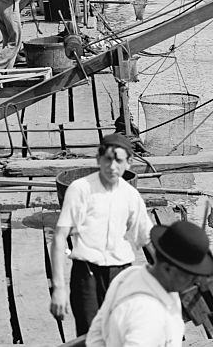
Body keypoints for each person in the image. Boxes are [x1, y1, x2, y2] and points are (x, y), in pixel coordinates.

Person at [50, 133, 153, 336]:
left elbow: (148, 239)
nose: (112, 166)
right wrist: (58, 288)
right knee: (90, 335)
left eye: (119, 160)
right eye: (107, 159)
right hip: (87, 275)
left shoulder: (131, 196)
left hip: (121, 274)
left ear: (129, 163)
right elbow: (60, 237)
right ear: (98, 159)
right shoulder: (80, 189)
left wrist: (171, 280)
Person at [86, 220, 213, 347]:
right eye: (190, 275)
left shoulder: (130, 275)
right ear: (167, 269)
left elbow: (97, 333)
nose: (195, 281)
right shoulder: (148, 314)